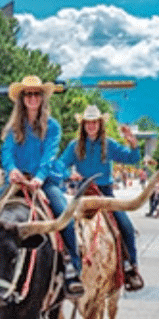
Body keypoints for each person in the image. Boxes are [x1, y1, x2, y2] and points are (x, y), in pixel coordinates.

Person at [0, 75, 84, 296]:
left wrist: (39, 177)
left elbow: (50, 154)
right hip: (15, 181)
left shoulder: (52, 126)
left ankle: (71, 266)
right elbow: (7, 152)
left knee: (63, 216)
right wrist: (11, 170)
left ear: (42, 98)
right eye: (28, 94)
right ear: (22, 99)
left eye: (36, 94)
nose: (32, 98)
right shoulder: (14, 126)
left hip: (43, 182)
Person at [58, 105, 144, 289]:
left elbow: (132, 158)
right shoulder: (75, 146)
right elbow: (59, 165)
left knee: (126, 227)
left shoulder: (108, 144)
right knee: (62, 224)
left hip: (105, 192)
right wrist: (68, 175)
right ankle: (66, 266)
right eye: (87, 122)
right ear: (83, 125)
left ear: (99, 124)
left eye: (94, 122)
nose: (91, 126)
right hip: (82, 192)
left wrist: (133, 143)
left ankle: (131, 268)